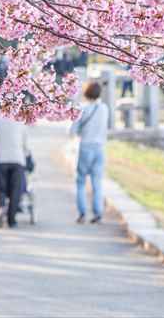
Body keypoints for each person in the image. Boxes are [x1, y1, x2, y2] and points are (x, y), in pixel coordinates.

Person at [70, 81, 108, 224]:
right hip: (99, 148)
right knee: (97, 182)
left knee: (80, 182)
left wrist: (79, 132)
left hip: (85, 147)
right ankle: (98, 213)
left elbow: (72, 131)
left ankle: (82, 213)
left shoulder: (82, 108)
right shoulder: (104, 108)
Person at [0, 111, 30, 228]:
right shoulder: (21, 119)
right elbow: (25, 144)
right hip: (17, 159)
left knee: (0, 188)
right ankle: (12, 219)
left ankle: (1, 208)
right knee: (16, 190)